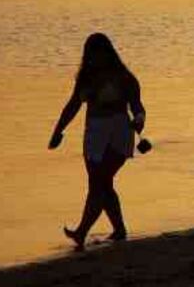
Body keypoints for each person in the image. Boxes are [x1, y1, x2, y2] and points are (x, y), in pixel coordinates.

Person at [48, 33, 146, 250]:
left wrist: (139, 120)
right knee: (102, 183)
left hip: (119, 132)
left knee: (99, 182)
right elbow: (73, 105)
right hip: (94, 134)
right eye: (91, 53)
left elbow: (137, 107)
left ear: (108, 53)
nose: (94, 58)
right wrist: (58, 131)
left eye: (98, 53)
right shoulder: (85, 78)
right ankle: (119, 230)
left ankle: (82, 231)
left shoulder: (124, 77)